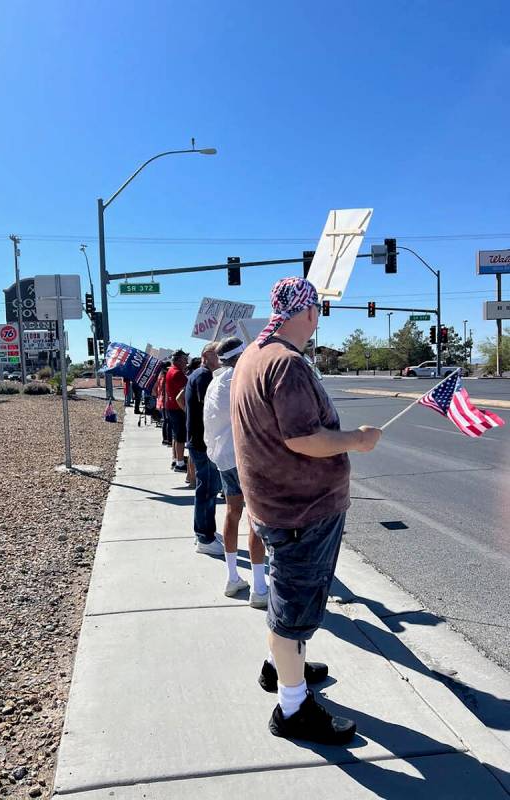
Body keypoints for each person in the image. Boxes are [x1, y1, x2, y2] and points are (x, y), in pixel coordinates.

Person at [231, 276, 381, 745]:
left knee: (286, 600)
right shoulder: (287, 364)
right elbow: (302, 438)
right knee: (292, 611)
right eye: (318, 312)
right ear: (310, 313)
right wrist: (357, 440)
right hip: (301, 512)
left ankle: (280, 665)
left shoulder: (252, 356)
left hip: (276, 505)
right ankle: (292, 709)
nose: (318, 320)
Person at [203, 337, 269, 606]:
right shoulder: (240, 378)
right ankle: (260, 588)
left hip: (223, 458)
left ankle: (232, 577)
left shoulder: (215, 381)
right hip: (246, 456)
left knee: (232, 513)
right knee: (256, 519)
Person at [183, 342, 223, 555]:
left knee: (208, 488)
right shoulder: (203, 377)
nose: (223, 358)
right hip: (203, 442)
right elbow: (211, 409)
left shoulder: (199, 375)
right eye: (220, 354)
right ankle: (204, 537)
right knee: (207, 489)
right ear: (208, 355)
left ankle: (206, 530)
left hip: (201, 441)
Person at [165, 349, 189, 472]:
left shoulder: (171, 370)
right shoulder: (178, 373)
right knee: (180, 437)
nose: (187, 362)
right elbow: (184, 391)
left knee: (176, 436)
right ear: (179, 360)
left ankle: (176, 459)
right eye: (185, 359)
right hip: (178, 408)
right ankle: (180, 464)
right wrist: (186, 409)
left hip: (171, 407)